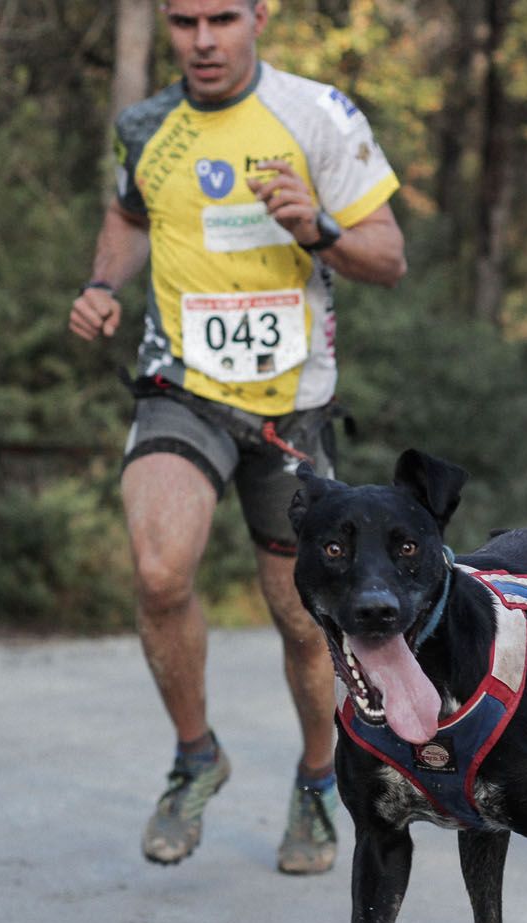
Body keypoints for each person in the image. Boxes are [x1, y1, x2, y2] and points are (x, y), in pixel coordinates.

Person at [68, 0, 406, 875]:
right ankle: (196, 756)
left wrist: (319, 231)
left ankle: (317, 780)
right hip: (182, 387)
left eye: (223, 17)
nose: (204, 40)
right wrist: (104, 284)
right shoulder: (146, 126)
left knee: (305, 619)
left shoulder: (316, 116)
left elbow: (389, 256)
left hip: (291, 409)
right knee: (158, 567)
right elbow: (129, 216)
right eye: (183, 22)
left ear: (261, 13)